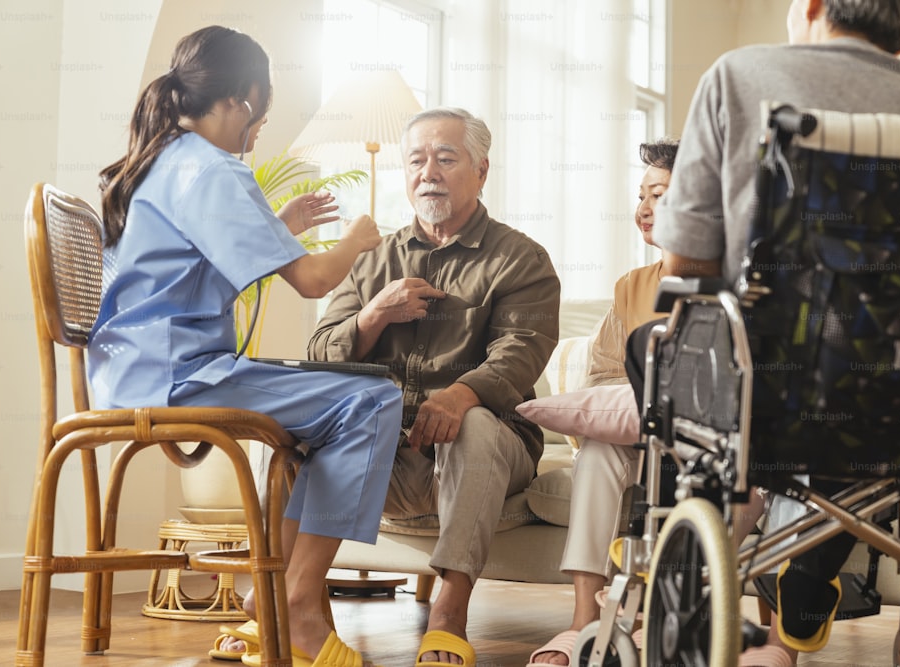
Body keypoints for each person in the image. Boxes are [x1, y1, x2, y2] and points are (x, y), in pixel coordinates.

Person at [639, 1, 900, 665]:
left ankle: (718, 539)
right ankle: (812, 570)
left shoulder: (740, 76)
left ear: (816, 6)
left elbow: (686, 263)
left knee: (659, 343)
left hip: (771, 389)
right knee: (863, 395)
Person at [89, 25, 402, 667]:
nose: (258, 130)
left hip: (129, 372)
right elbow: (313, 279)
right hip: (182, 374)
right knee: (373, 400)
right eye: (260, 113)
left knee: (334, 412)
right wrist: (358, 238)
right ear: (240, 98)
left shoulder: (159, 159)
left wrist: (280, 226)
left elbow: (196, 263)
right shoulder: (212, 168)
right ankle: (301, 607)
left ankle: (274, 598)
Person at [307, 106, 561, 666]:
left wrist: (461, 393)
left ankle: (448, 614)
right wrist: (372, 316)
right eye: (417, 160)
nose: (430, 172)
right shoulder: (371, 260)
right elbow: (321, 349)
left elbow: (522, 352)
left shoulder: (522, 259)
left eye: (446, 159)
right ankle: (295, 610)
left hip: (485, 452)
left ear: (481, 170)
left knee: (471, 420)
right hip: (387, 460)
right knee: (292, 419)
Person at [525, 138, 677, 666]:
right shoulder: (632, 287)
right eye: (641, 196)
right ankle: (584, 621)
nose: (643, 209)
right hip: (640, 443)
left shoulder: (736, 285)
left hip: (709, 448)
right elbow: (604, 376)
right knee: (597, 452)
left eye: (658, 194)